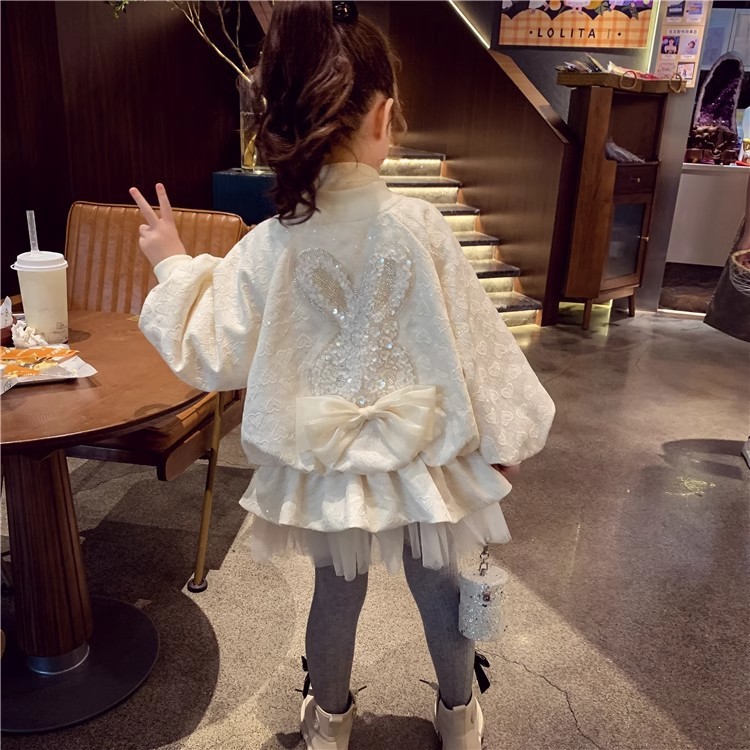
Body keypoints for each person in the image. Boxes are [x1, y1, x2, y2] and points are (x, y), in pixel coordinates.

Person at [130, 2, 554, 748]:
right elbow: (478, 342)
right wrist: (506, 436)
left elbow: (213, 348)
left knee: (335, 590)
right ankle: (459, 715)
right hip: (426, 450)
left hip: (325, 459)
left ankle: (329, 720)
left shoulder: (270, 245)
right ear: (385, 118)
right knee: (440, 583)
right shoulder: (421, 227)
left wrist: (170, 261)